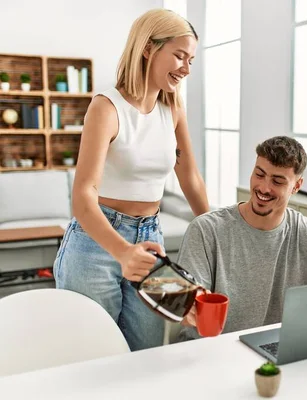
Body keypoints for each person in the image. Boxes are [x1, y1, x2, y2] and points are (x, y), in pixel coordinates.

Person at [53, 9, 210, 351]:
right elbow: (83, 196)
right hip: (95, 243)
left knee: (148, 351)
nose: (186, 68)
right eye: (180, 56)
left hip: (150, 241)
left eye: (191, 60)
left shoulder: (173, 109)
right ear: (148, 48)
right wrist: (123, 251)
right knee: (94, 353)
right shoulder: (106, 107)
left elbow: (191, 179)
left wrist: (217, 233)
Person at [177, 136, 307, 341]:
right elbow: (185, 302)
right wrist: (186, 305)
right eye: (259, 174)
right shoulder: (206, 230)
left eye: (277, 181)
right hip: (210, 351)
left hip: (275, 349)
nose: (263, 188)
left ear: (296, 186)